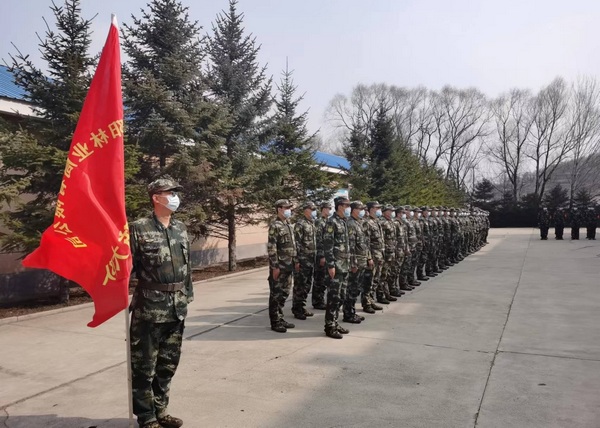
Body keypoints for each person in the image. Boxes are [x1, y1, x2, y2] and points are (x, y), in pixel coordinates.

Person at [129, 176, 193, 428]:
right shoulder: (138, 228)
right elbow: (125, 267)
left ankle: (161, 410)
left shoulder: (180, 228)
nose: (175, 197)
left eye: (176, 192)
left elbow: (187, 268)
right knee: (144, 366)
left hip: (177, 308)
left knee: (168, 364)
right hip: (150, 309)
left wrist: (186, 297)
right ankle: (146, 417)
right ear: (156, 197)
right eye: (170, 192)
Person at [323, 196, 352, 339]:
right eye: (347, 205)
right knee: (333, 298)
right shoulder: (331, 222)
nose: (349, 208)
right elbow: (328, 246)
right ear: (340, 206)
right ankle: (329, 327)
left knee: (341, 297)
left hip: (345, 265)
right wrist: (331, 265)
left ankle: (335, 322)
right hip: (336, 266)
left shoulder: (343, 221)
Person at [267, 199, 297, 333]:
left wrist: (296, 262)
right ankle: (275, 322)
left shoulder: (288, 225)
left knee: (285, 292)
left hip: (289, 266)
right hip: (280, 267)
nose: (289, 210)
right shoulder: (275, 226)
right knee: (276, 294)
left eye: (290, 208)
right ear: (279, 209)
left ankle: (280, 317)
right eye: (286, 208)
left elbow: (293, 246)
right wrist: (275, 267)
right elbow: (272, 247)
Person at [344, 201, 369, 324]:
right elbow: (351, 246)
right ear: (353, 210)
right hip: (356, 263)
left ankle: (352, 311)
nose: (362, 211)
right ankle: (348, 314)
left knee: (357, 288)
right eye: (360, 209)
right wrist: (353, 264)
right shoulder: (350, 224)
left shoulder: (358, 223)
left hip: (361, 261)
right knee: (352, 289)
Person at [293, 201, 317, 320]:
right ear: (306, 210)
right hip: (302, 260)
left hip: (310, 260)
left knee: (307, 285)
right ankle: (297, 309)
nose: (314, 211)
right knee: (300, 285)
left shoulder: (312, 223)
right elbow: (296, 244)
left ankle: (302, 307)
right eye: (312, 209)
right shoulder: (300, 224)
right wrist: (296, 261)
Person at [362, 202, 385, 314]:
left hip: (379, 255)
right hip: (372, 256)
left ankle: (371, 300)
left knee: (375, 280)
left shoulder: (376, 221)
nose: (378, 210)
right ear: (371, 209)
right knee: (368, 281)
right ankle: (366, 303)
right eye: (377, 208)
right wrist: (369, 257)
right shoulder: (367, 223)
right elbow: (365, 242)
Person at [313, 201, 332, 310]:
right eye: (328, 208)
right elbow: (319, 240)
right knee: (319, 279)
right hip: (322, 255)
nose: (329, 210)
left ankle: (320, 300)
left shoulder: (328, 221)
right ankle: (317, 301)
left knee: (324, 279)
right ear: (323, 209)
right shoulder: (319, 222)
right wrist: (321, 256)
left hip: (327, 254)